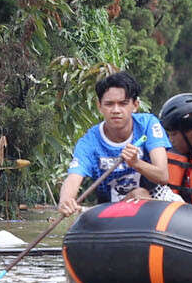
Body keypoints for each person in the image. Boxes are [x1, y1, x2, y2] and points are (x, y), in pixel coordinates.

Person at [58, 71, 171, 213]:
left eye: (123, 104)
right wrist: (65, 201)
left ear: (135, 105)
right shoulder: (89, 141)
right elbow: (73, 177)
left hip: (154, 199)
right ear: (99, 106)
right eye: (109, 104)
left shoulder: (148, 124)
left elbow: (163, 176)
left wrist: (136, 163)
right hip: (109, 209)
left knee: (140, 193)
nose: (116, 110)